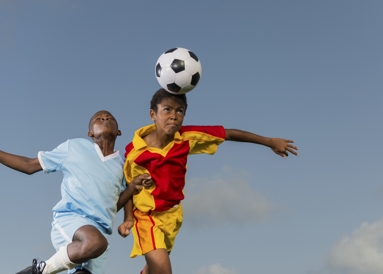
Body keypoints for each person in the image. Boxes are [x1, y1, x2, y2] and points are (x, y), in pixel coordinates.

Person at [118, 88, 299, 274]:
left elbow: (227, 134)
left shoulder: (186, 138)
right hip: (147, 217)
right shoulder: (135, 152)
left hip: (172, 215)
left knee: (153, 269)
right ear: (152, 114)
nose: (174, 116)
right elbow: (129, 186)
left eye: (179, 111)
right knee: (164, 269)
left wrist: (268, 141)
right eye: (167, 109)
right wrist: (128, 218)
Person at [0, 110, 152, 274]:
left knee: (89, 259)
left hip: (100, 234)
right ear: (90, 133)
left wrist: (130, 196)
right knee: (94, 242)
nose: (104, 119)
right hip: (71, 221)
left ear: (119, 131)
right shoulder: (74, 147)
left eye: (110, 118)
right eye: (98, 119)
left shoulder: (122, 165)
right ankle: (38, 271)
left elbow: (113, 205)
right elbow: (30, 165)